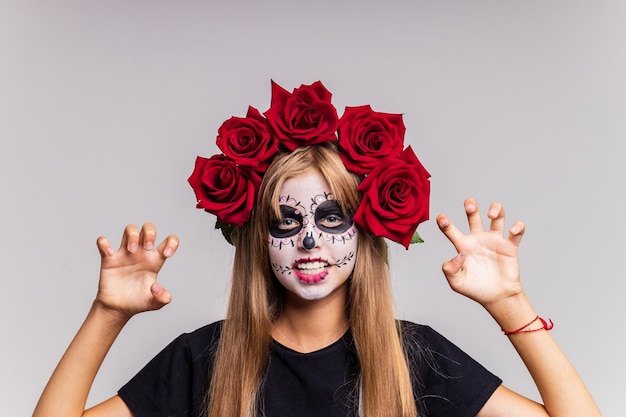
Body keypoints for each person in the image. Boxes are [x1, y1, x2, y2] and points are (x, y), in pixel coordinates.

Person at [33, 81, 601, 417]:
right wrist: (107, 315)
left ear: (365, 229)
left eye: (331, 218)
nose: (308, 239)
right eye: (285, 222)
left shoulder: (414, 360)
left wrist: (510, 304)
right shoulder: (202, 360)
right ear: (258, 239)